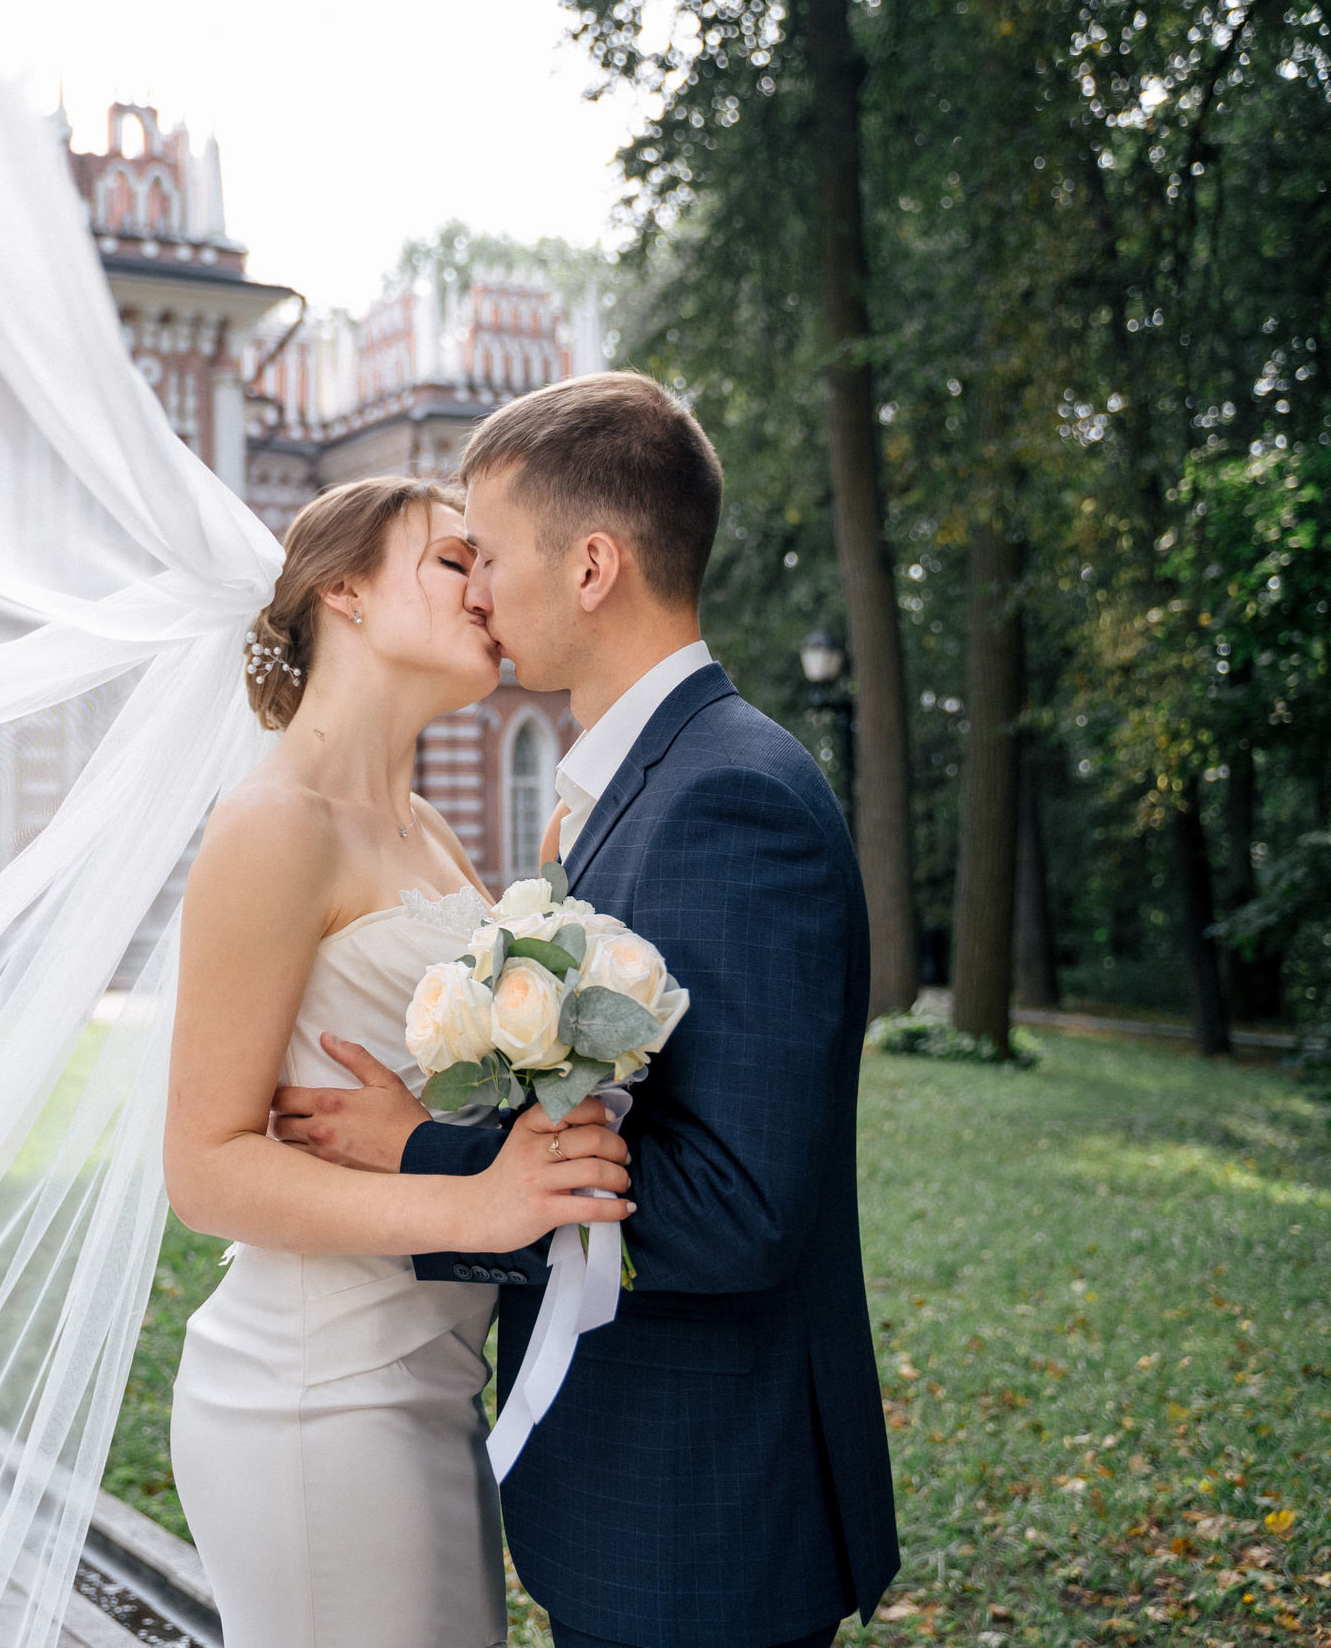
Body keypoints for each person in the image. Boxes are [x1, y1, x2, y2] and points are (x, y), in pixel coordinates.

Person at [274, 374, 900, 1648]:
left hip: (700, 1518)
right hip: (638, 1499)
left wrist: (424, 1153)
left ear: (594, 566)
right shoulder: (636, 788)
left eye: (490, 553)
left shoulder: (731, 799)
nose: (476, 589)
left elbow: (736, 1212)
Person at [164, 476, 636, 1648]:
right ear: (343, 593)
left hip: (423, 1387)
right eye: (449, 562)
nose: (485, 590)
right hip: (316, 1398)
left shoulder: (422, 826)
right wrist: (478, 1204)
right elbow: (205, 1170)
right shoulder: (275, 825)